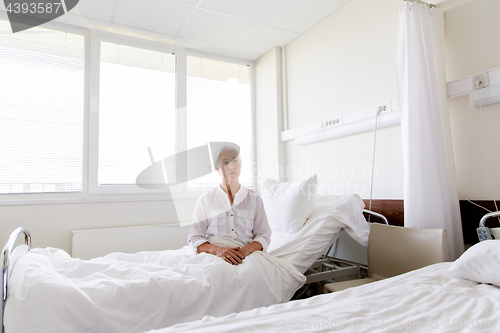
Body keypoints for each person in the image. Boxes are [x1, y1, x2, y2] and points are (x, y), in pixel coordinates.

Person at [187, 145, 271, 265]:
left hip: (247, 255)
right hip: (214, 255)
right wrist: (218, 250)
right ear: (217, 169)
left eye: (235, 160)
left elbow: (264, 236)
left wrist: (244, 252)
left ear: (241, 164)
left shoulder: (255, 198)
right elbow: (194, 238)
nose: (231, 166)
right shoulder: (206, 200)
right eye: (225, 162)